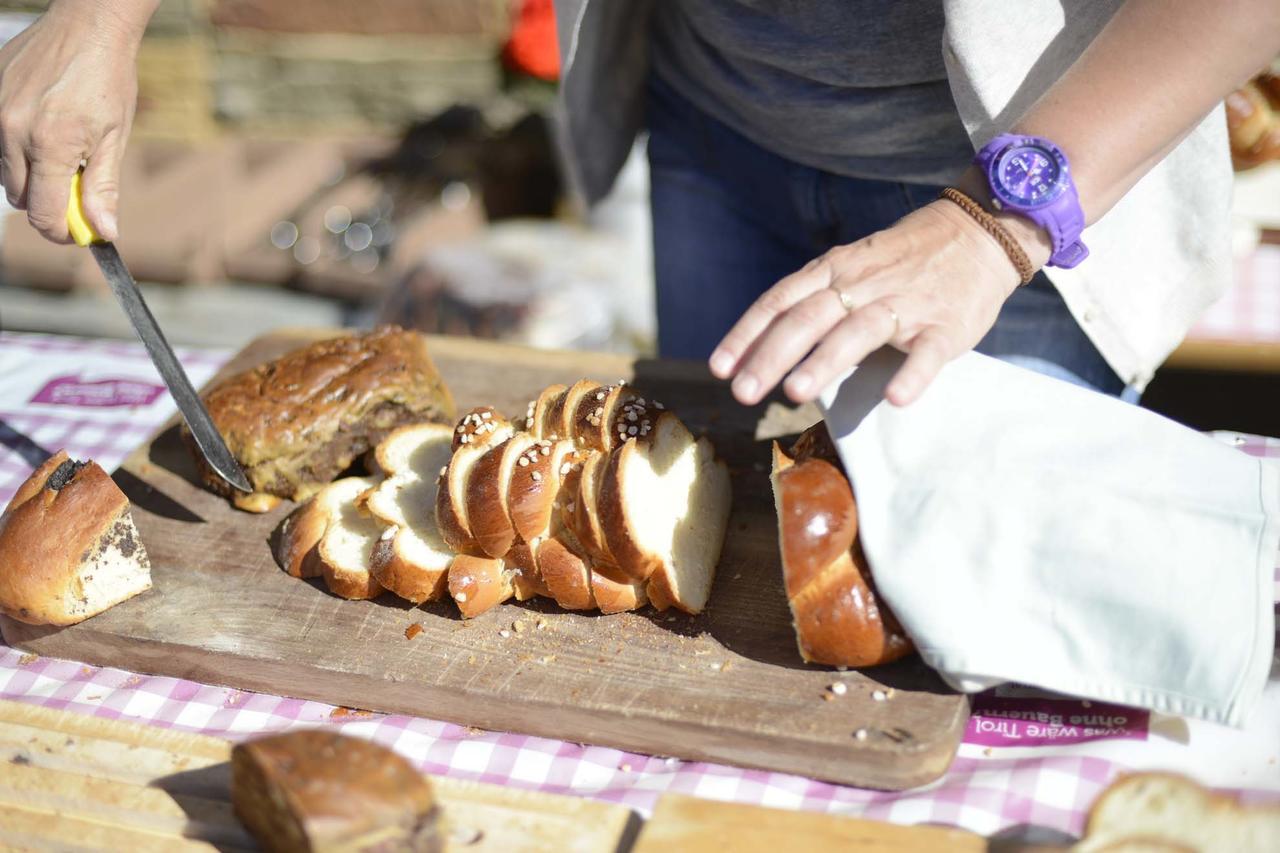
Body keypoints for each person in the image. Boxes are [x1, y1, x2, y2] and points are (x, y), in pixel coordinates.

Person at [3, 1, 1278, 410]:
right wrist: (98, 15)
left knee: (972, 656)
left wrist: (995, 222)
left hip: (1012, 201)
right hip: (714, 132)